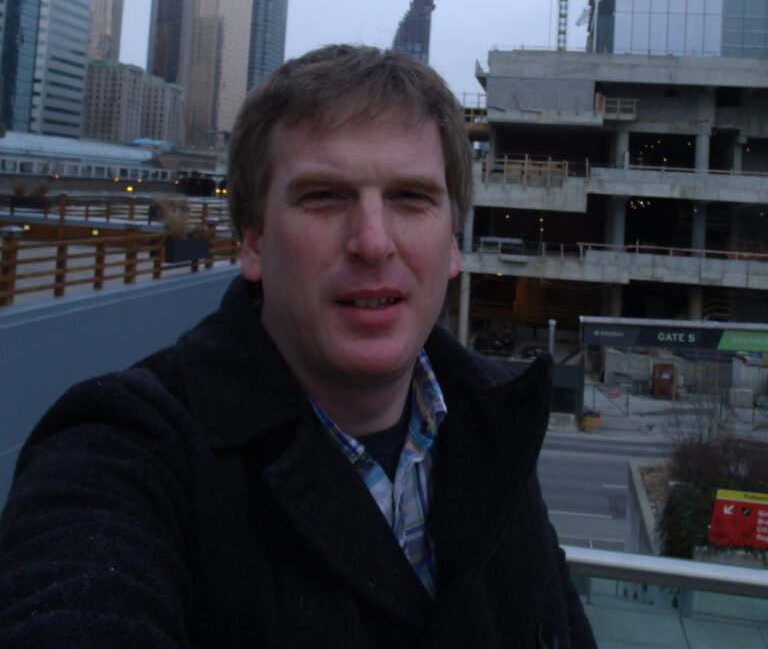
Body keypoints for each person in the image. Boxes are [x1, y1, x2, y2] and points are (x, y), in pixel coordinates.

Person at [0, 45, 596, 648]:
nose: (372, 242)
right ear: (253, 242)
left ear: (452, 246)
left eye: (410, 198)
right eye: (324, 197)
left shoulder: (499, 429)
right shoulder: (125, 451)